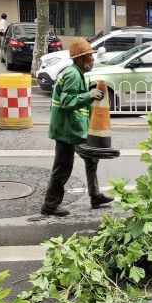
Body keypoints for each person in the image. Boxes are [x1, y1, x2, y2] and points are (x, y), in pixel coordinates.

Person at [41, 37, 114, 216]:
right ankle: (50, 205)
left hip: (74, 129)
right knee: (63, 166)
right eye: (90, 57)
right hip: (66, 130)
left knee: (91, 158)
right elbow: (67, 101)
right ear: (81, 59)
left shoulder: (75, 72)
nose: (92, 60)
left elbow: (78, 102)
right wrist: (89, 96)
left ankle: (95, 196)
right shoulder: (73, 75)